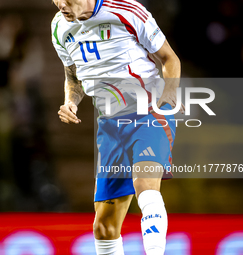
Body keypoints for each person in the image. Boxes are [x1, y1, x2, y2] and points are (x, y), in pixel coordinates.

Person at [51, 0, 184, 254]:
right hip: (110, 123)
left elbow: (169, 59)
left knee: (145, 186)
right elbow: (73, 75)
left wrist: (169, 94)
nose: (60, 5)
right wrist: (70, 101)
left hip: (149, 110)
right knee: (104, 227)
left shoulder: (126, 10)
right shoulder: (59, 26)